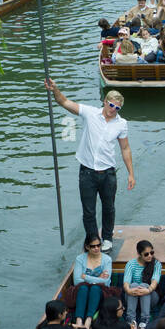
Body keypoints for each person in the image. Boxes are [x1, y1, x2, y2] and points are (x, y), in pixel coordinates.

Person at [45, 82, 135, 252]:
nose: (113, 109)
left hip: (108, 173)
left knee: (109, 208)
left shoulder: (121, 124)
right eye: (111, 105)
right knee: (88, 211)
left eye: (117, 107)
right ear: (105, 101)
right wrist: (55, 90)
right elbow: (64, 102)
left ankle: (107, 238)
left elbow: (125, 148)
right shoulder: (90, 113)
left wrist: (131, 173)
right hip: (87, 172)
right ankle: (93, 240)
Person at [72, 234, 113, 325]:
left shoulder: (107, 259)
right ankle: (79, 320)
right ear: (87, 247)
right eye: (93, 246)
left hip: (101, 291)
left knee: (94, 289)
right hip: (82, 290)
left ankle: (88, 320)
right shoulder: (80, 259)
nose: (96, 248)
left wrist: (86, 277)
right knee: (83, 288)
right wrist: (98, 278)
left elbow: (106, 281)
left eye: (98, 245)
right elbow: (77, 281)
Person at [124, 239, 161, 328]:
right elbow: (126, 283)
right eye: (146, 254)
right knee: (133, 285)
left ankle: (145, 319)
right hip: (133, 297)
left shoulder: (156, 264)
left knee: (144, 285)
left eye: (151, 253)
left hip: (151, 297)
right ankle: (131, 319)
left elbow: (155, 281)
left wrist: (148, 290)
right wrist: (129, 290)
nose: (150, 256)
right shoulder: (131, 264)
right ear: (139, 254)